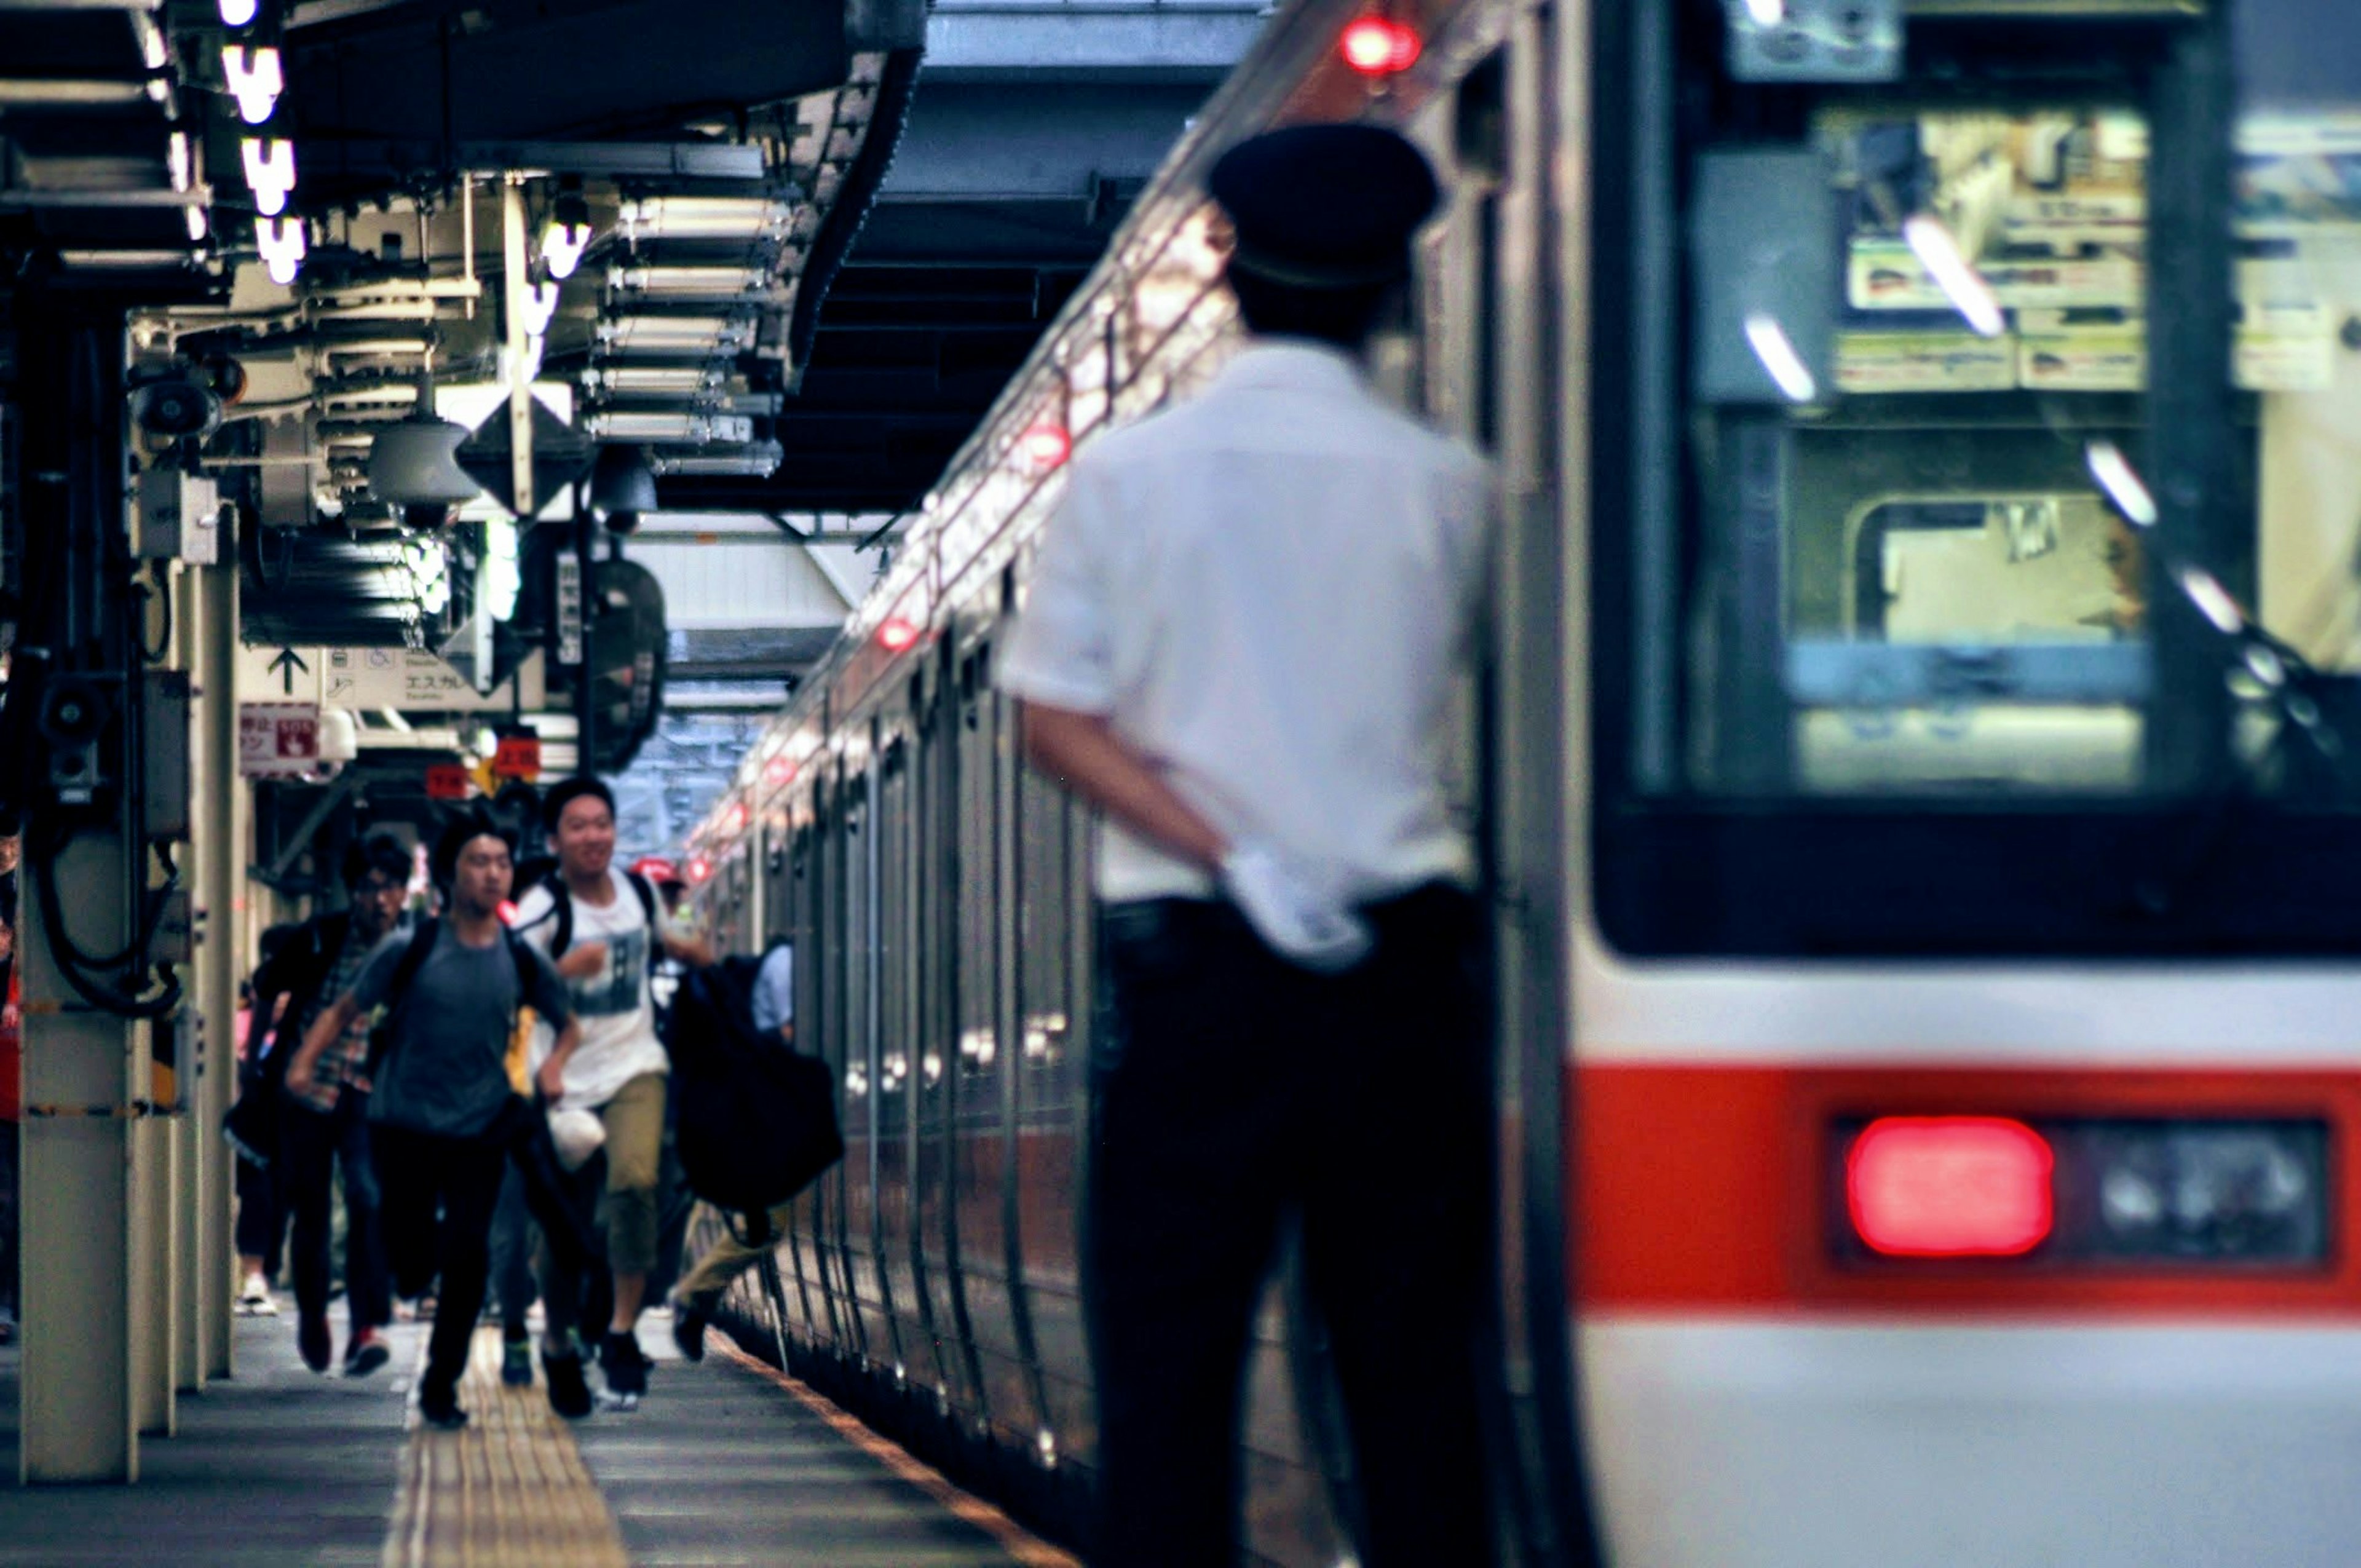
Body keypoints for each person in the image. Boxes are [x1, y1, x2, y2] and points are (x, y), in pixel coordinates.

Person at [996, 124, 1495, 1565]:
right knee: (1407, 1369)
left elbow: (1057, 723)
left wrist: (1229, 848)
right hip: (1399, 967)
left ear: (1228, 275)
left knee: (1171, 1368)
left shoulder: (1128, 477)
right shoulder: (1447, 484)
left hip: (1200, 975)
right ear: (1392, 286)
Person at [287, 814, 579, 1430]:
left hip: (481, 1127)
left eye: (502, 862)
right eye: (479, 861)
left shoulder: (521, 959)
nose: (493, 872)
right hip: (404, 1125)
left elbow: (570, 1024)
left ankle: (441, 1386)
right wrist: (304, 1064)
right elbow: (344, 1008)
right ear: (450, 874)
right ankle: (413, 1275)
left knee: (468, 1255)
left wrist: (554, 1067)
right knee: (413, 1255)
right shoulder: (411, 946)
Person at [510, 777, 712, 1405]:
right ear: (555, 839)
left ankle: (623, 1330)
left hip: (634, 1066)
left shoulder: (637, 893)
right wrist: (561, 971)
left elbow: (660, 943)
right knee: (568, 1231)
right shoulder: (542, 908)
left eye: (602, 823)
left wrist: (707, 959)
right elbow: (506, 983)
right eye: (578, 826)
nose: (594, 836)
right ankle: (561, 1343)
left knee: (635, 1182)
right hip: (563, 1083)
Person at [257, 834, 410, 1376]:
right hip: (307, 1090)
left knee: (369, 1199)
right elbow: (265, 982)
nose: (381, 900)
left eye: (391, 887)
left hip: (370, 1096)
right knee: (312, 1212)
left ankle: (367, 1326)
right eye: (369, 889)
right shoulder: (322, 936)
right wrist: (266, 1064)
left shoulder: (414, 947)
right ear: (353, 891)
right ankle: (315, 1313)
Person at [665, 936, 794, 1361]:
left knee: (760, 1221)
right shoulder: (785, 965)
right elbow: (788, 1038)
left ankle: (694, 1295)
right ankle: (694, 1296)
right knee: (766, 1223)